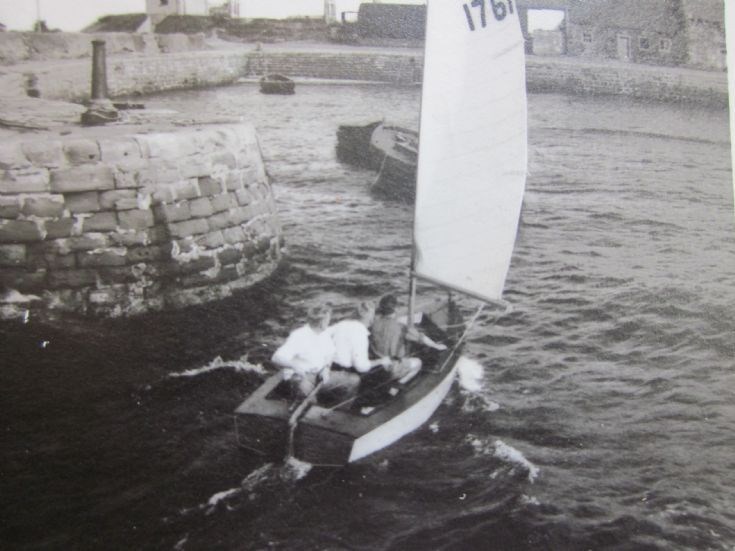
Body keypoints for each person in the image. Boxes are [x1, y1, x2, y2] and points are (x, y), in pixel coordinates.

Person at [271, 304, 358, 398]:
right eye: (328, 319)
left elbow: (330, 353)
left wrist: (326, 367)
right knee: (306, 393)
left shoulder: (323, 334)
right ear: (322, 322)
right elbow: (276, 358)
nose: (329, 322)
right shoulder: (299, 336)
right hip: (301, 378)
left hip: (319, 375)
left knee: (354, 380)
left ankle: (338, 410)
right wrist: (296, 366)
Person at [371, 294, 447, 382]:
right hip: (392, 368)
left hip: (379, 366)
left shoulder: (374, 324)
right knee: (418, 362)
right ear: (396, 308)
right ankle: (400, 383)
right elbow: (421, 338)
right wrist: (436, 346)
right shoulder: (401, 327)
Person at [325, 300, 392, 375]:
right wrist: (381, 361)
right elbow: (361, 367)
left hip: (329, 366)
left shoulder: (342, 323)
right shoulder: (360, 332)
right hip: (343, 371)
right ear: (371, 318)